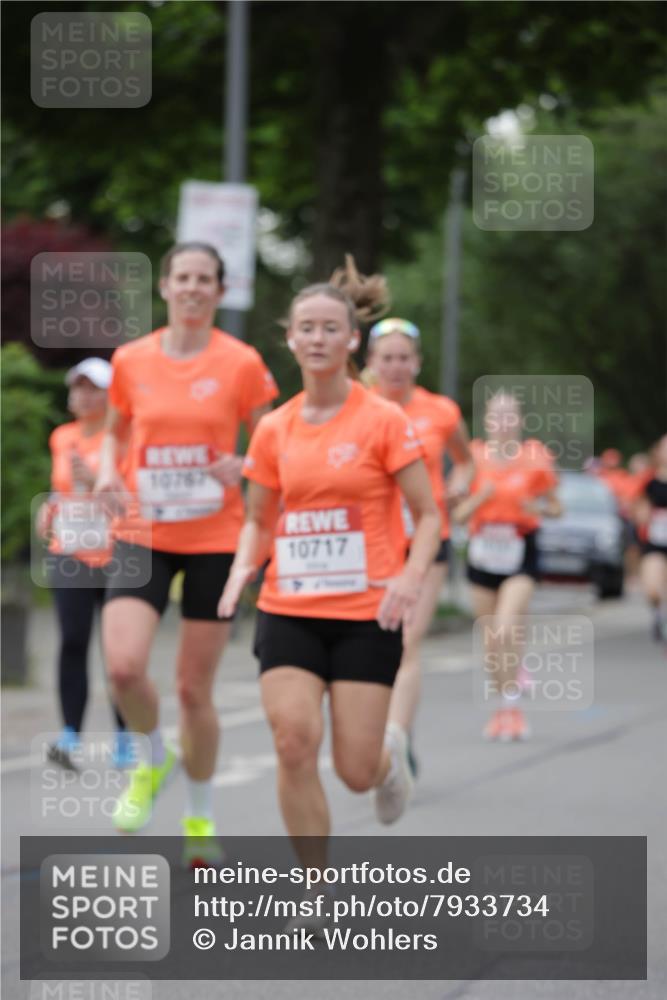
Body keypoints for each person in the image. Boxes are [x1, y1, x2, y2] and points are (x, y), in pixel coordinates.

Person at [218, 257, 441, 883]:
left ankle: (388, 760)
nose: (316, 339)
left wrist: (409, 576)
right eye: (305, 328)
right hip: (289, 606)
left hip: (367, 612)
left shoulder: (382, 420)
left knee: (354, 769)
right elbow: (259, 520)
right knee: (292, 741)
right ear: (290, 339)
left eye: (328, 328)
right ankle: (314, 884)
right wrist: (242, 567)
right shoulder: (273, 428)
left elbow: (427, 515)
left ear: (351, 341)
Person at [95, 242, 278, 857]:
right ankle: (152, 758)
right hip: (142, 531)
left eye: (206, 279)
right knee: (123, 668)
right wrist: (105, 471)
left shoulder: (242, 362)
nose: (194, 288)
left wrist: (245, 462)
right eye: (184, 277)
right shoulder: (131, 360)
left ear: (219, 293)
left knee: (194, 690)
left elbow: (277, 442)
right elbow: (114, 431)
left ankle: (199, 819)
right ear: (166, 288)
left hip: (215, 538)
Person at [365, 317, 474, 775]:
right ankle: (379, 729)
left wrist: (456, 486)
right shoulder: (359, 408)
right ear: (371, 363)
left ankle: (396, 738)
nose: (395, 367)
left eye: (404, 358)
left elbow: (467, 464)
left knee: (407, 642)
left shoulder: (441, 411)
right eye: (386, 358)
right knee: (374, 643)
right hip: (374, 544)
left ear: (418, 362)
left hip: (428, 543)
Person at [452, 392, 561, 741]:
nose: (503, 422)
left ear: (520, 421)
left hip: (520, 550)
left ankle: (513, 700)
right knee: (491, 642)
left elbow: (556, 508)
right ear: (486, 422)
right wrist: (479, 498)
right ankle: (505, 707)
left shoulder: (536, 457)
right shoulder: (472, 457)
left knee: (505, 627)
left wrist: (537, 507)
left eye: (509, 415)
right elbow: (456, 515)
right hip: (483, 551)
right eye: (496, 416)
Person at [37, 358, 129, 771]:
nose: (83, 395)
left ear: (111, 397)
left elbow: (131, 498)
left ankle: (126, 737)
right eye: (78, 387)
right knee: (73, 642)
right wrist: (51, 508)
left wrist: (95, 484)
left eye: (94, 388)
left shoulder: (122, 438)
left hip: (114, 556)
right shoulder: (62, 437)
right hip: (70, 551)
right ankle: (70, 734)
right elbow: (60, 489)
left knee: (118, 653)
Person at [635, 435, 667, 641]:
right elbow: (639, 511)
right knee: (652, 589)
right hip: (656, 542)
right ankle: (658, 614)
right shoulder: (649, 481)